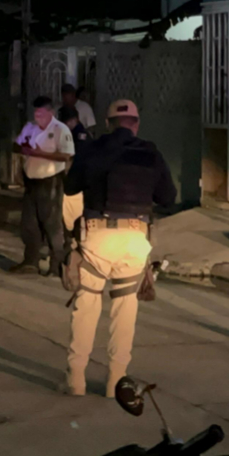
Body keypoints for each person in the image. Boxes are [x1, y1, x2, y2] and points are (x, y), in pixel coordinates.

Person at [62, 99, 176, 397]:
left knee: (86, 307)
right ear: (136, 124)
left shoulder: (92, 149)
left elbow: (69, 188)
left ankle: (76, 379)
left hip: (97, 236)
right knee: (125, 311)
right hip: (135, 240)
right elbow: (167, 197)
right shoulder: (150, 152)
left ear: (108, 123)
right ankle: (116, 381)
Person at [10, 96, 74, 276]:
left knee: (52, 223)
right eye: (36, 113)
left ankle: (57, 265)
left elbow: (66, 156)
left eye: (42, 113)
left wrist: (41, 154)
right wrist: (24, 149)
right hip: (31, 181)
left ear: (51, 112)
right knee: (29, 223)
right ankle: (30, 261)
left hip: (51, 181)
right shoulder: (30, 127)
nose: (38, 117)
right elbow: (16, 145)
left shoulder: (60, 129)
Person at [58, 106, 90, 235]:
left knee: (74, 214)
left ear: (74, 120)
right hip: (71, 180)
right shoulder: (68, 134)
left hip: (77, 182)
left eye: (66, 121)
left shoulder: (80, 136)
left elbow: (78, 159)